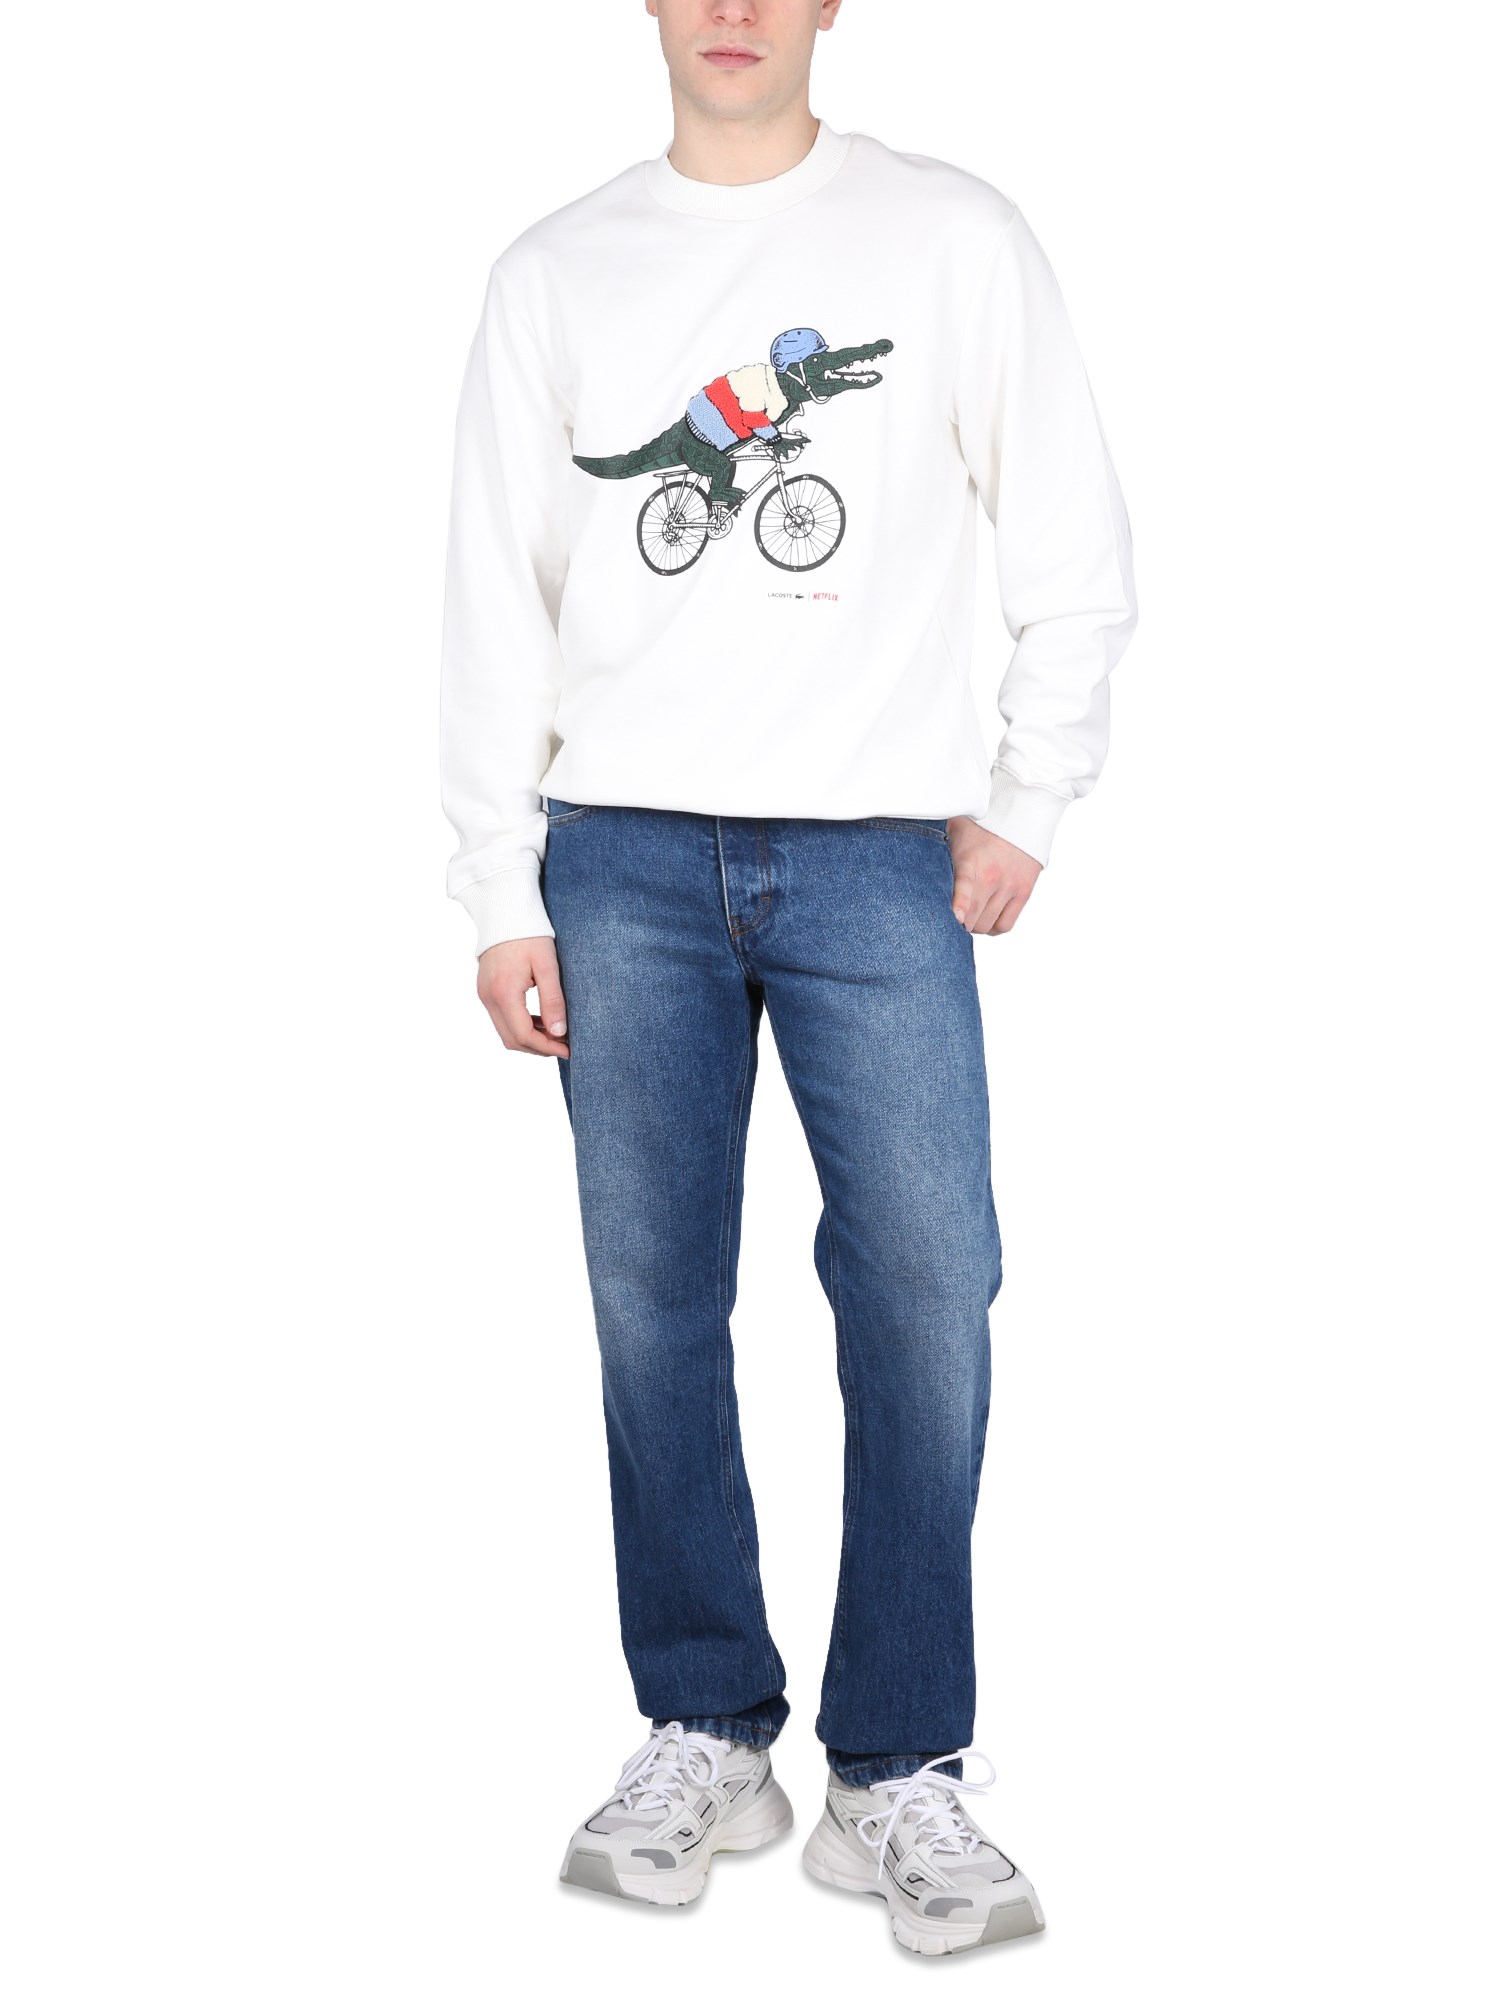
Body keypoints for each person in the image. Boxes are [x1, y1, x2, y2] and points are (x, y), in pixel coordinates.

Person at [438, 0, 1136, 1957]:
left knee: (929, 1290)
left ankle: (897, 1761)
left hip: (879, 857)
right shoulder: (555, 271)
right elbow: (495, 590)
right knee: (652, 1301)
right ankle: (705, 1722)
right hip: (620, 861)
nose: (735, 8)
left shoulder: (953, 236)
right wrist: (498, 885)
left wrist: (1032, 794)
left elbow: (1072, 541)